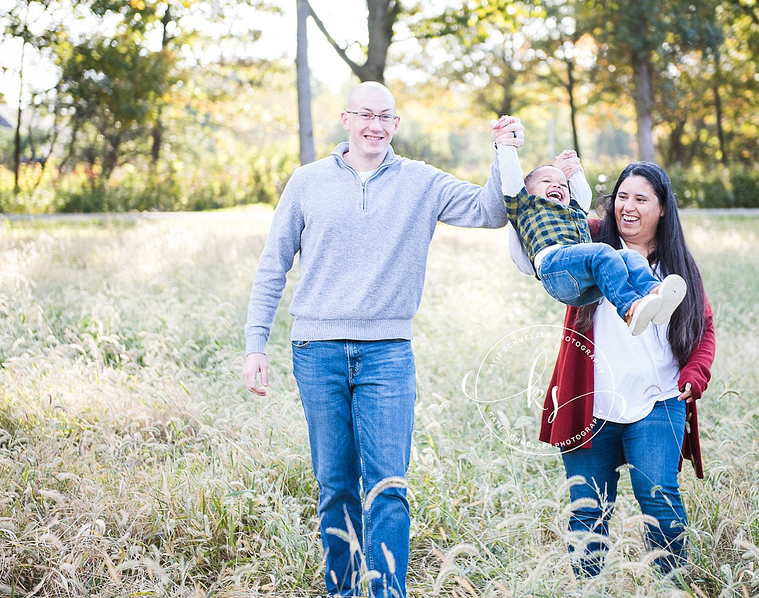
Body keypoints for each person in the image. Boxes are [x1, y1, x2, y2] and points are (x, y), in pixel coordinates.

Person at [243, 82, 523, 598]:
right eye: (365, 114)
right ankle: (344, 591)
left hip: (387, 355)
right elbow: (273, 265)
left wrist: (503, 151)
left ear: (396, 124)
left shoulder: (420, 181)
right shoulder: (307, 182)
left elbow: (491, 211)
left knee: (388, 487)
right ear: (346, 119)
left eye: (385, 116)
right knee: (336, 487)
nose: (375, 124)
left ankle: (389, 592)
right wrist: (255, 344)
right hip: (316, 351)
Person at [536, 162, 716, 578]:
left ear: (663, 208)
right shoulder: (593, 244)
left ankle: (671, 583)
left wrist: (696, 374)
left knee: (659, 496)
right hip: (591, 402)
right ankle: (588, 587)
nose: (628, 207)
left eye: (641, 199)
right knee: (587, 508)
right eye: (622, 197)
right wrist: (540, 172)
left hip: (659, 398)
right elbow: (548, 218)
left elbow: (703, 330)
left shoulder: (678, 268)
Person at [494, 128, 686, 335]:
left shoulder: (573, 211)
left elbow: (583, 194)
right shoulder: (524, 205)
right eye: (546, 181)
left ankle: (653, 293)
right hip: (554, 267)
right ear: (527, 191)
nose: (557, 186)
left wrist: (574, 169)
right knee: (602, 252)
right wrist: (506, 146)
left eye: (562, 184)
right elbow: (511, 176)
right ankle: (630, 308)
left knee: (629, 257)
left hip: (584, 284)